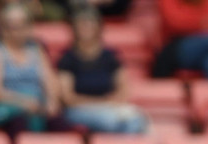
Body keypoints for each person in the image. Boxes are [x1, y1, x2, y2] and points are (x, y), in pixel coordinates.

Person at [57, 6, 148, 134]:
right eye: (82, 24)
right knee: (111, 121)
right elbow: (67, 98)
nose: (86, 28)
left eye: (90, 23)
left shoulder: (110, 57)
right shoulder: (67, 59)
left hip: (108, 108)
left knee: (138, 119)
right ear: (74, 27)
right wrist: (99, 103)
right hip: (79, 110)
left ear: (99, 27)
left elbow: (123, 89)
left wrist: (109, 103)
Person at [0, 3, 63, 134]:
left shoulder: (37, 50)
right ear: (3, 29)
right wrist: (24, 103)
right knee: (19, 123)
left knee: (58, 124)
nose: (17, 31)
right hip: (7, 109)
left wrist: (52, 101)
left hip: (36, 107)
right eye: (12, 27)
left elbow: (50, 80)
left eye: (22, 26)